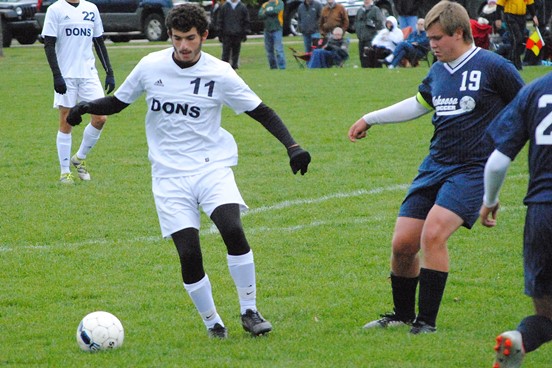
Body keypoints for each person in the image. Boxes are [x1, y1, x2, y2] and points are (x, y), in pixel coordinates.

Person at [65, 3, 311, 339]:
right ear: (169, 36)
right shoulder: (150, 66)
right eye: (177, 38)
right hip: (168, 175)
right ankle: (214, 324)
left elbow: (261, 111)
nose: (183, 46)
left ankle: (250, 311)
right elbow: (119, 102)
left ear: (204, 37)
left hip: (212, 168)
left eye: (190, 38)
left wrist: (292, 146)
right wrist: (86, 106)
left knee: (232, 229)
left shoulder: (220, 72)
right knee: (189, 253)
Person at [347, 1, 524, 335]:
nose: (432, 45)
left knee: (434, 233)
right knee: (402, 245)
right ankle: (402, 315)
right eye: (429, 38)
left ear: (459, 33)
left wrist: (512, 146)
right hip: (435, 165)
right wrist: (370, 118)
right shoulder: (438, 70)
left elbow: (528, 105)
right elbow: (418, 104)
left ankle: (426, 323)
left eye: (438, 38)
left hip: (473, 169)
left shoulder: (494, 67)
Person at [480, 72, 552, 368]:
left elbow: (497, 161)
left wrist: (489, 201)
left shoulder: (536, 90)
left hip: (542, 212)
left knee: (547, 312)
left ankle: (519, 338)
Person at [41, 0, 115, 184]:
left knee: (100, 118)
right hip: (66, 75)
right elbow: (49, 45)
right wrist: (57, 76)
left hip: (89, 74)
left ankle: (79, 158)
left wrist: (109, 72)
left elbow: (98, 42)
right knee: (66, 121)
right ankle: (65, 172)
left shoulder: (91, 9)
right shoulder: (55, 10)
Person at [496, 0, 539, 69]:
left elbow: (529, 3)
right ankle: (514, 63)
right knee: (517, 39)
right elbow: (499, 4)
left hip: (522, 17)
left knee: (519, 40)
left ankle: (513, 63)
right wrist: (498, 18)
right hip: (510, 15)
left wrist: (534, 16)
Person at [216, 0, 251, 69]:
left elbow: (246, 20)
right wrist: (219, 32)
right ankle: (224, 67)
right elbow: (220, 20)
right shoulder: (224, 7)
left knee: (236, 51)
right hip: (226, 33)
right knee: (225, 52)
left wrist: (245, 32)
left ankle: (235, 66)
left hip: (238, 33)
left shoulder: (242, 7)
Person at [354, 0, 385, 68]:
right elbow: (356, 21)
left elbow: (380, 23)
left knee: (369, 55)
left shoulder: (375, 9)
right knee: (362, 57)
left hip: (370, 38)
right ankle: (364, 70)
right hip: (361, 38)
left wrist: (372, 24)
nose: (366, 1)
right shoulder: (360, 10)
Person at [258, 0, 286, 69]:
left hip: (277, 29)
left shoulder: (279, 3)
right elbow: (260, 15)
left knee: (278, 50)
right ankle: (273, 67)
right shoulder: (265, 4)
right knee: (269, 51)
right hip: (267, 30)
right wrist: (270, 12)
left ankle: (282, 67)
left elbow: (276, 11)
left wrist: (267, 12)